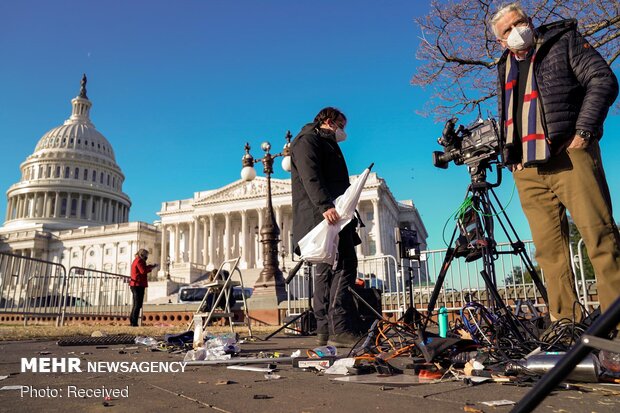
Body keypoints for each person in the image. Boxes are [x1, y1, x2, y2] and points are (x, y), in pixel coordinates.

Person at [491, 3, 620, 324]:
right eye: (507, 30)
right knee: (549, 253)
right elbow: (508, 114)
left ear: (530, 21)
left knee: (600, 238)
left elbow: (602, 80)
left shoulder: (564, 41)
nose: (515, 31)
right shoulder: (503, 65)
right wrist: (511, 158)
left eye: (518, 23)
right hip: (528, 170)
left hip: (570, 154)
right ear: (501, 41)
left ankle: (615, 328)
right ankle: (565, 324)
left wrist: (584, 132)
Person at [291, 107, 362, 347]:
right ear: (329, 122)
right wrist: (325, 205)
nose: (344, 131)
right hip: (323, 217)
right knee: (342, 265)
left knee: (330, 269)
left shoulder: (325, 142)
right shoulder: (307, 140)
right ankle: (337, 327)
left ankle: (327, 330)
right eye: (342, 125)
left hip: (334, 214)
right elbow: (311, 176)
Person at [129, 249, 158, 327]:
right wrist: (151, 268)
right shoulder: (139, 261)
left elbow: (143, 269)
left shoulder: (137, 260)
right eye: (146, 255)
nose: (147, 257)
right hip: (138, 285)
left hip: (136, 285)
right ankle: (134, 322)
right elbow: (143, 271)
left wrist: (151, 266)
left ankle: (132, 321)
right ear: (143, 255)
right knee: (137, 304)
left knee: (136, 304)